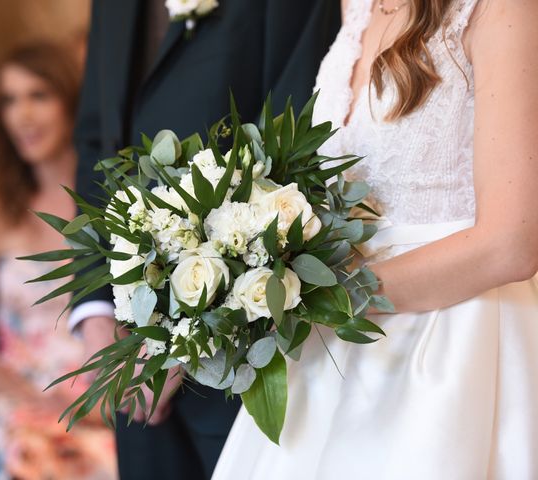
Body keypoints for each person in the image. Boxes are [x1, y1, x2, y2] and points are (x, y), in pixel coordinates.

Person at [213, 0, 538, 478]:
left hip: (453, 338)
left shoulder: (501, 9)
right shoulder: (357, 6)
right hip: (333, 342)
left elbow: (513, 244)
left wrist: (323, 295)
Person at [69, 1, 342, 479]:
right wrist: (95, 313)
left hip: (239, 358)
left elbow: (294, 136)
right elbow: (99, 137)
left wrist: (187, 341)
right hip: (129, 357)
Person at [0, 42, 118, 480]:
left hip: (100, 391)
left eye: (38, 96)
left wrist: (99, 399)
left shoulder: (113, 197)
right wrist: (35, 400)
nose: (22, 116)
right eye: (9, 100)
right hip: (14, 394)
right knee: (25, 452)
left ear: (72, 100)